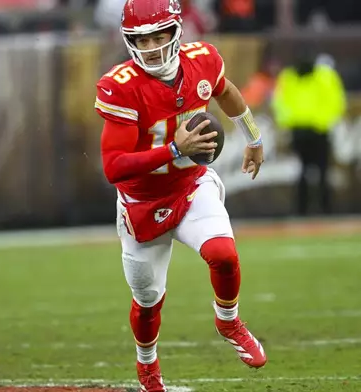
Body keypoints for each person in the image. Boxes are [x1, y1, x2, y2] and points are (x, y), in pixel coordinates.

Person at [93, 0, 266, 390]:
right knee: (149, 300)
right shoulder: (121, 87)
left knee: (223, 253)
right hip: (141, 204)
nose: (152, 46)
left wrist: (253, 136)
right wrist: (174, 149)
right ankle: (148, 368)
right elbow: (114, 167)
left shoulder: (202, 59)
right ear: (129, 40)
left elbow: (227, 92)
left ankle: (229, 321)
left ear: (176, 31)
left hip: (190, 185)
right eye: (142, 39)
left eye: (159, 35)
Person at [273, 48, 346, 216]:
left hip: (319, 131)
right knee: (300, 171)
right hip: (300, 132)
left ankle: (326, 209)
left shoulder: (325, 77)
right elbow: (280, 103)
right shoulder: (288, 77)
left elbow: (336, 101)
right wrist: (292, 123)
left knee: (323, 171)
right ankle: (302, 210)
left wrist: (321, 122)